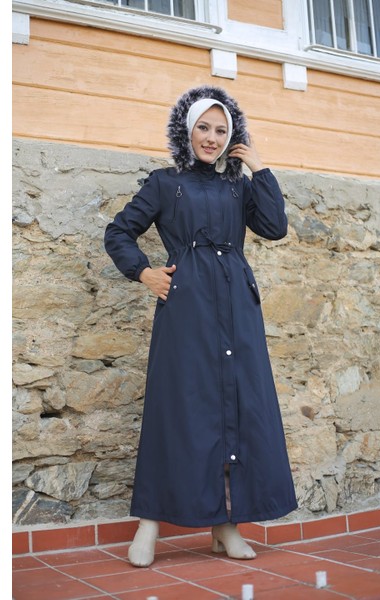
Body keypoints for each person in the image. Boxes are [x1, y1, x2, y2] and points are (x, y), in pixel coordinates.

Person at [104, 85, 298, 568]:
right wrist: (144, 272)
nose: (212, 138)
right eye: (203, 128)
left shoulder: (239, 186)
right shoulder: (164, 182)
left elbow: (274, 227)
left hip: (238, 307)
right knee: (178, 409)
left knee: (237, 406)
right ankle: (149, 524)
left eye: (221, 130)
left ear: (232, 136)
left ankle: (226, 525)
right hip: (186, 307)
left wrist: (260, 168)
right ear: (186, 131)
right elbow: (119, 231)